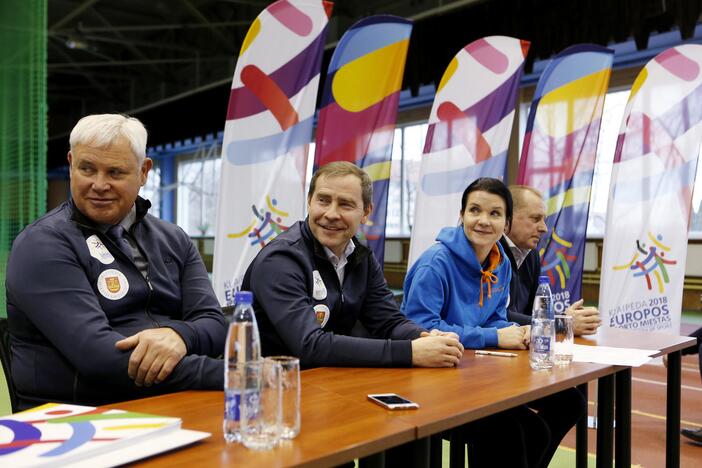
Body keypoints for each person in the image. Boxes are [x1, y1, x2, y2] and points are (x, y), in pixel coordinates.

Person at [6, 114, 225, 409]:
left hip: (170, 404)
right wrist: (232, 374)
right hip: (77, 421)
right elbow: (101, 358)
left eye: (115, 172)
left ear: (144, 171)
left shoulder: (173, 239)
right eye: (87, 169)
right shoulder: (42, 245)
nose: (99, 184)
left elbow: (214, 323)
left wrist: (179, 335)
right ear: (71, 164)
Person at [241, 161, 464, 368]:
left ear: (366, 212)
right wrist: (410, 352)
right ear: (309, 201)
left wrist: (426, 338)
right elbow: (309, 346)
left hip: (332, 380)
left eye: (345, 204)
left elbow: (389, 321)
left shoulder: (360, 256)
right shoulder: (280, 260)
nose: (331, 214)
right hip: (278, 387)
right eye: (323, 200)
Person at [403, 177, 553, 467]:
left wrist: (515, 331)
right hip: (432, 381)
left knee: (537, 432)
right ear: (461, 216)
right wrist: (496, 338)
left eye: (495, 214)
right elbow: (420, 328)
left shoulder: (501, 263)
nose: (483, 221)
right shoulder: (435, 263)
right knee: (507, 433)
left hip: (474, 377)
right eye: (474, 211)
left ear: (506, 223)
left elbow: (495, 318)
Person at [502, 185, 601, 335]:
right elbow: (500, 316)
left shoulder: (531, 254)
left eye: (544, 220)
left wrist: (567, 318)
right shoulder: (490, 253)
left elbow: (536, 311)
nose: (544, 228)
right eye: (535, 219)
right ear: (507, 219)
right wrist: (561, 323)